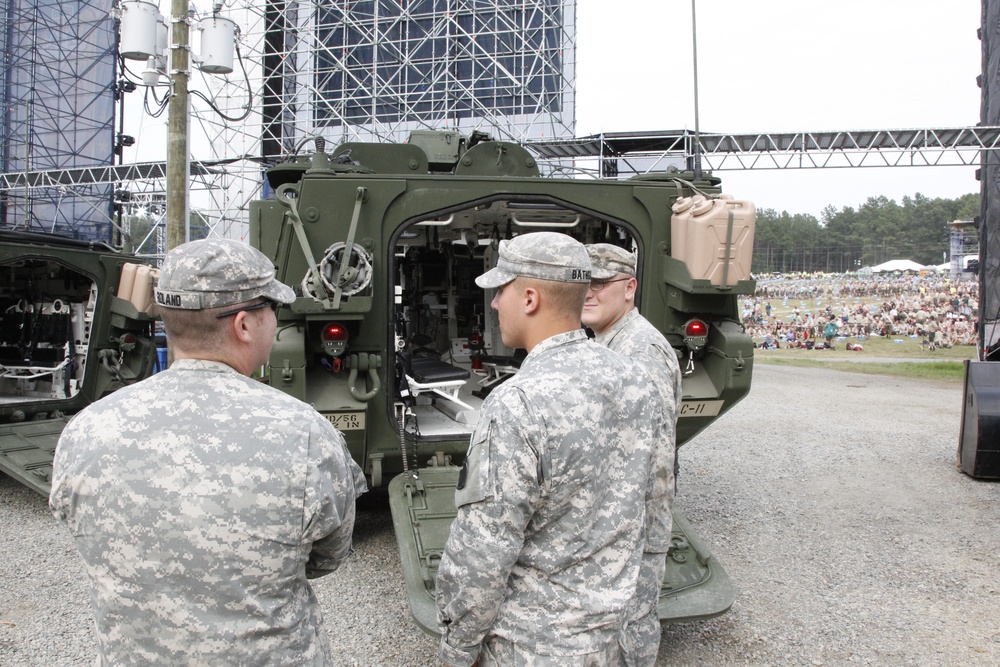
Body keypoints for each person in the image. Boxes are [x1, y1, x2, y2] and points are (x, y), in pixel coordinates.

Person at [49, 238, 367, 666]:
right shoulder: (305, 433)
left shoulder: (85, 430)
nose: (276, 321)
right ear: (243, 325)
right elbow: (329, 555)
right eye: (272, 309)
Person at [435, 232, 666, 667]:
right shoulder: (635, 378)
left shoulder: (518, 402)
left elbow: (484, 552)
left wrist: (457, 647)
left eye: (500, 290)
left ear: (529, 298)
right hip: (615, 637)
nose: (495, 303)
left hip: (534, 646)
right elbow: (649, 501)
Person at [583, 243, 681, 667]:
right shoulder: (608, 341)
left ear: (630, 288)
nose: (588, 292)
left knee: (630, 630)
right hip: (613, 524)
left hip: (630, 525)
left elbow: (653, 458)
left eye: (601, 283)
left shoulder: (639, 351)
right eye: (582, 282)